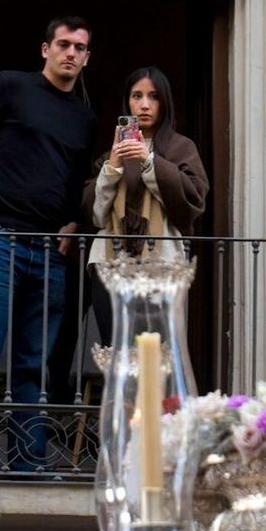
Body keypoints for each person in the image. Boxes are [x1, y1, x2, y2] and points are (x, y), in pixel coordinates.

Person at [0, 15, 98, 463]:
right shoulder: (11, 86)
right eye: (63, 44)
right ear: (44, 49)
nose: (70, 53)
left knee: (35, 367)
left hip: (49, 251)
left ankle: (30, 465)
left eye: (79, 48)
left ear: (87, 58)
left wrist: (73, 221)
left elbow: (76, 181)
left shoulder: (85, 119)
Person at [80, 66, 209, 342]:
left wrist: (149, 162)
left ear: (165, 103)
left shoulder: (181, 148)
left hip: (161, 263)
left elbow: (192, 200)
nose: (145, 105)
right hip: (109, 263)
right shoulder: (111, 154)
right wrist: (113, 165)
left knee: (156, 352)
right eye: (137, 96)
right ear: (127, 102)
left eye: (153, 96)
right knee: (115, 352)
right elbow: (95, 214)